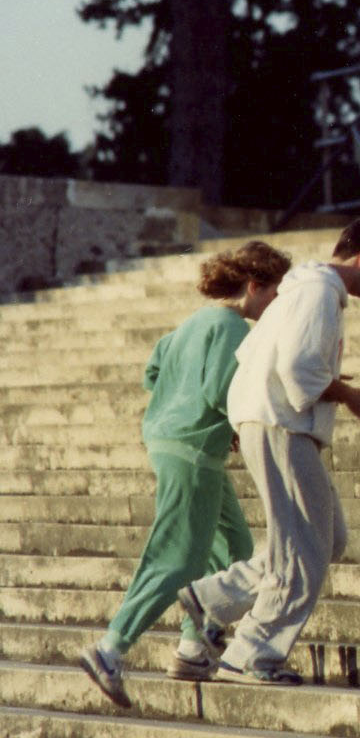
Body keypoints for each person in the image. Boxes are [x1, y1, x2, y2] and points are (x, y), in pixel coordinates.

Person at [177, 217, 360, 685]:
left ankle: (213, 599)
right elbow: (299, 369)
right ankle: (252, 656)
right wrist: (349, 395)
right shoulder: (317, 292)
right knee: (303, 551)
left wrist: (331, 386)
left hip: (273, 419)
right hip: (280, 423)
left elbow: (263, 356)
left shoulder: (304, 289)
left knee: (327, 537)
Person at [79, 240, 293, 708]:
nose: (276, 305)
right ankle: (110, 649)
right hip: (193, 452)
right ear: (254, 287)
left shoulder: (192, 322)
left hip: (179, 444)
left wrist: (182, 402)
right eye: (275, 293)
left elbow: (152, 372)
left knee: (233, 544)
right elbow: (223, 391)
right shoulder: (233, 327)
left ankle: (194, 648)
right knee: (177, 558)